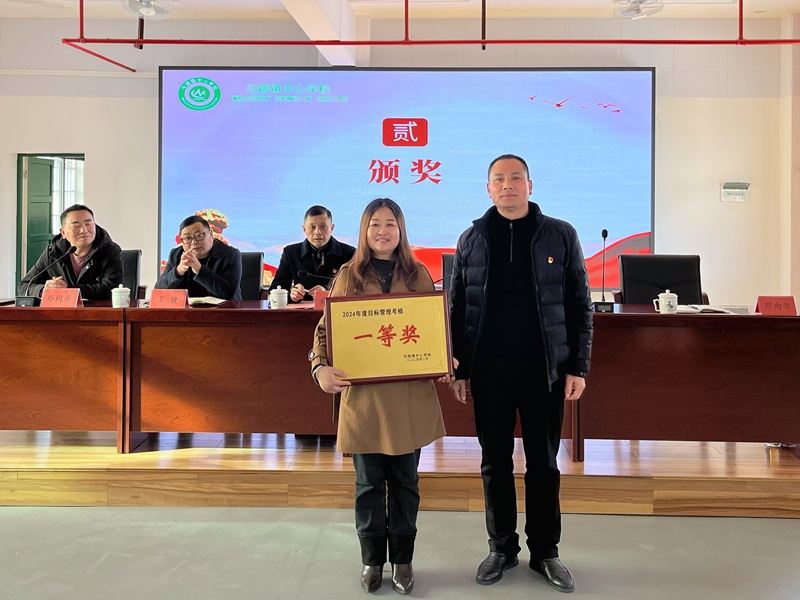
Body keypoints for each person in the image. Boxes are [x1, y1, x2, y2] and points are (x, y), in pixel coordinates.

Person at [448, 154, 593, 593]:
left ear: (530, 185)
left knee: (543, 464)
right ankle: (501, 549)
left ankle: (546, 552)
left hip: (543, 371)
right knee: (494, 462)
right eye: (499, 179)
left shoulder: (560, 234)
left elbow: (580, 305)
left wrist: (578, 366)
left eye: (515, 178)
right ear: (488, 189)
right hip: (488, 371)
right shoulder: (472, 238)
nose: (507, 185)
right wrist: (459, 368)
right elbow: (457, 308)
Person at [309, 198, 452, 595]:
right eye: (375, 224)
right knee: (369, 484)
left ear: (401, 230)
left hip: (409, 399)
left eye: (391, 223)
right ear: (364, 230)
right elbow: (324, 331)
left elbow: (435, 326)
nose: (383, 231)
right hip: (365, 400)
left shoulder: (418, 274)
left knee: (406, 482)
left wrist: (445, 356)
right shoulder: (348, 275)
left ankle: (403, 561)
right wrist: (319, 368)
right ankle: (372, 561)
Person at [19, 204, 123, 300]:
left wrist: (68, 290)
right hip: (62, 311)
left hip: (97, 310)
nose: (84, 230)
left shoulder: (111, 251)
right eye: (76, 226)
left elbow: (111, 289)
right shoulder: (53, 252)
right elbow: (24, 286)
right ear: (63, 232)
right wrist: (43, 291)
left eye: (88, 224)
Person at [269, 205, 355, 303]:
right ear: (304, 229)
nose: (317, 232)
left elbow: (357, 290)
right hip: (301, 311)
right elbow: (274, 290)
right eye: (312, 227)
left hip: (336, 310)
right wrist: (291, 294)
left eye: (323, 227)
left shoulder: (349, 253)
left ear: (332, 228)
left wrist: (328, 292)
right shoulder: (291, 253)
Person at [155, 215, 242, 300]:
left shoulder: (230, 254)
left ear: (211, 234)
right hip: (188, 309)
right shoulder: (176, 254)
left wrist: (199, 269)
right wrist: (178, 271)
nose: (194, 242)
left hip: (224, 309)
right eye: (187, 238)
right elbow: (159, 290)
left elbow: (228, 293)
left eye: (199, 235)